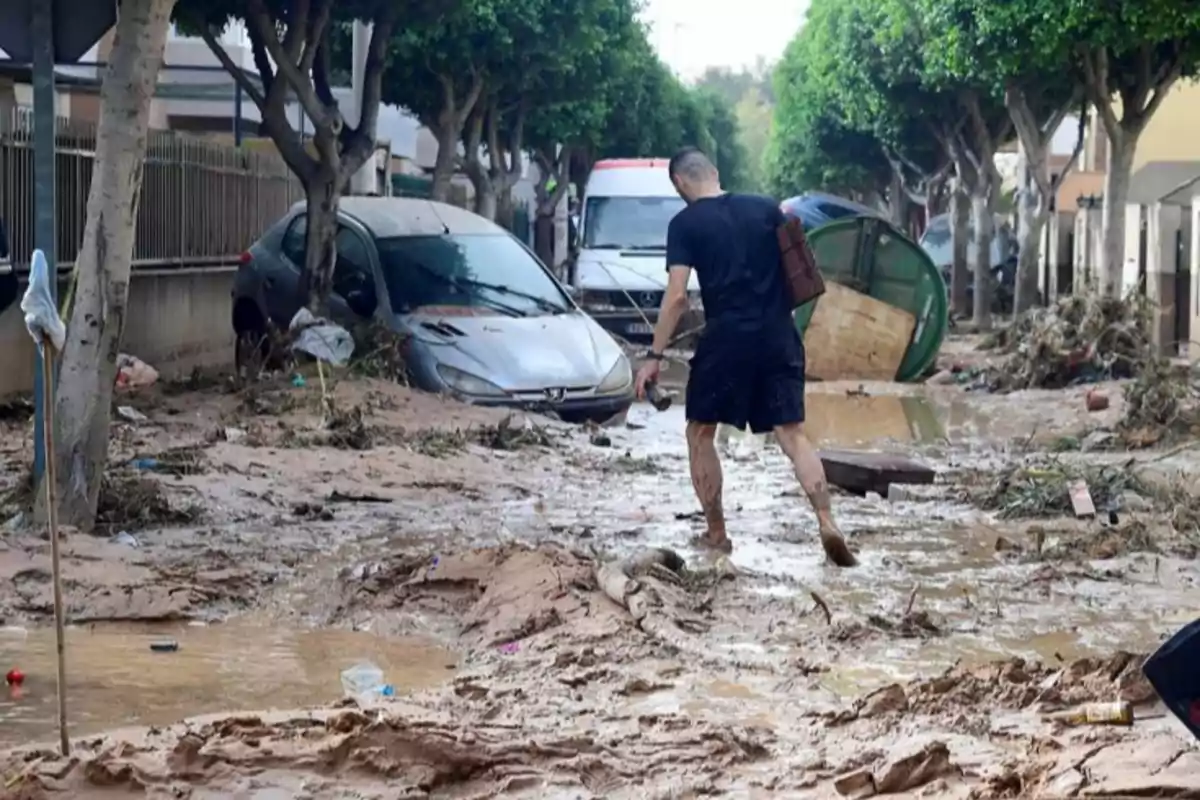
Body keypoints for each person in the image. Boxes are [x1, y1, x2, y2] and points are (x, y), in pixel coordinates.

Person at [633, 147, 856, 567]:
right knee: (793, 435)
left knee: (700, 433)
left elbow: (677, 297)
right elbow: (800, 273)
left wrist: (654, 355)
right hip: (778, 334)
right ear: (715, 172)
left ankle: (717, 535)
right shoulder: (767, 208)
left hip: (726, 340)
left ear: (680, 183)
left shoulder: (684, 224)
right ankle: (827, 521)